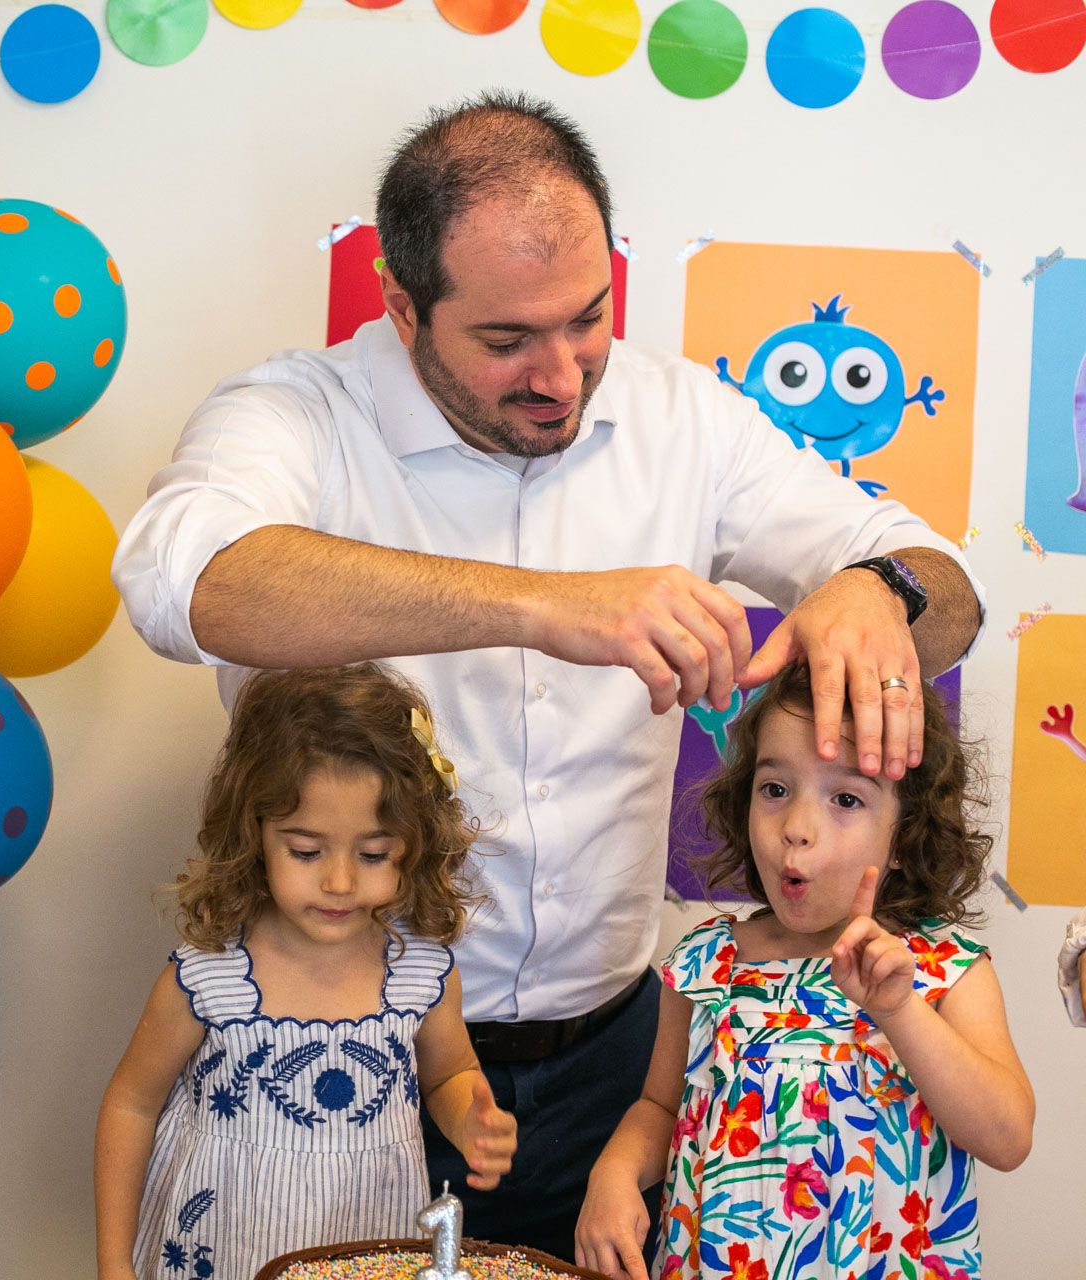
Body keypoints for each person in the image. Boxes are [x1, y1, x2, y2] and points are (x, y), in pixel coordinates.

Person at [110, 91, 985, 1258]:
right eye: (507, 340)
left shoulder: (687, 420)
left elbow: (952, 587)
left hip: (617, 1065)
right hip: (359, 1060)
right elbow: (183, 582)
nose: (564, 375)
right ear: (402, 304)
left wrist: (881, 591)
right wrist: (542, 605)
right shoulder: (294, 413)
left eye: (589, 320)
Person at [575, 664, 1033, 1280]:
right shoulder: (708, 962)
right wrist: (614, 1173)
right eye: (775, 789)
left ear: (903, 835)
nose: (796, 829)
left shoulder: (942, 972)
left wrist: (899, 1012)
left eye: (846, 798)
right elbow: (660, 1106)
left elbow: (1007, 1138)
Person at [93, 664, 518, 1280]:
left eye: (373, 854)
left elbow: (448, 1074)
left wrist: (470, 1121)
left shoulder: (420, 975)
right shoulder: (209, 980)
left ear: (415, 842)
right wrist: (114, 1263)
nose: (340, 882)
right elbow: (131, 1105)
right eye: (306, 851)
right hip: (222, 1252)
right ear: (253, 832)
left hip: (365, 1245)